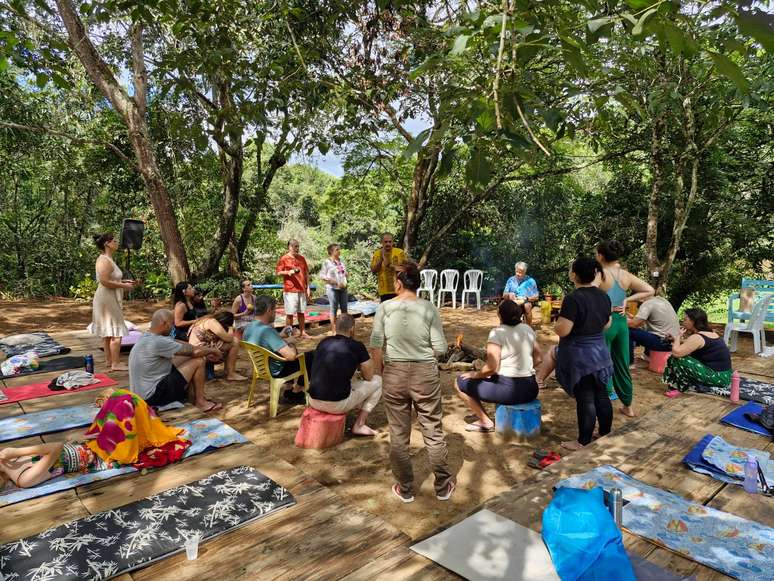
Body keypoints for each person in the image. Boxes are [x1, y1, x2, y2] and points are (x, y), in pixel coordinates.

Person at [370, 262, 454, 503]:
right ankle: (443, 486)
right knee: (433, 431)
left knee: (398, 434)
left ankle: (405, 488)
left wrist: (380, 373)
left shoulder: (385, 308)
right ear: (417, 283)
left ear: (398, 283)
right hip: (425, 374)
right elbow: (440, 348)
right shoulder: (429, 308)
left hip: (394, 374)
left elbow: (376, 344)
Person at [0, 389, 185, 488]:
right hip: (104, 454)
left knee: (121, 398)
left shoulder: (9, 463)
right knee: (124, 400)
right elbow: (55, 447)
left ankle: (152, 426)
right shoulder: (23, 479)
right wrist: (16, 451)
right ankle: (156, 429)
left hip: (94, 445)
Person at [553, 257, 614, 451]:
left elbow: (563, 330)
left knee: (586, 398)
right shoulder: (604, 296)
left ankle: (583, 441)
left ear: (574, 275)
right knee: (601, 394)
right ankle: (605, 432)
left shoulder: (573, 298)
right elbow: (607, 324)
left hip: (581, 356)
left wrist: (557, 324)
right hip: (600, 352)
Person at [456, 301, 543, 432]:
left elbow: (492, 368)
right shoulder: (527, 329)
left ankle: (485, 422)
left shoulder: (497, 333)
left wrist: (475, 374)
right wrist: (523, 368)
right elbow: (539, 358)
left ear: (500, 315)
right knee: (488, 379)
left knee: (459, 382)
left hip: (509, 391)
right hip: (531, 388)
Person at [595, 240, 654, 417]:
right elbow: (649, 290)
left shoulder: (600, 274)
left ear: (601, 256)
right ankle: (628, 406)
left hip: (605, 322)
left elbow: (587, 293)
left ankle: (605, 398)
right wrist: (628, 300)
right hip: (621, 323)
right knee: (622, 364)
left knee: (601, 362)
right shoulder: (625, 275)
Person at [128, 309, 222, 412]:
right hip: (152, 397)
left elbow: (178, 344)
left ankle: (192, 397)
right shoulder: (158, 341)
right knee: (199, 361)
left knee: (190, 357)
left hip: (142, 394)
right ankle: (200, 402)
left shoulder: (147, 336)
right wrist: (212, 350)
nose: (173, 327)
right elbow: (194, 352)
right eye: (172, 324)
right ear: (165, 323)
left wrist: (202, 350)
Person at [308, 314, 382, 436]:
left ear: (335, 327)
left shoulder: (323, 342)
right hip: (336, 404)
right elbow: (369, 376)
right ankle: (359, 425)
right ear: (352, 328)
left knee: (345, 379)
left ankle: (357, 406)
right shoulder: (356, 346)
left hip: (313, 400)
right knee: (378, 381)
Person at [243, 295, 315, 405]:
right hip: (276, 370)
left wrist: (280, 335)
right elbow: (291, 356)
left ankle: (288, 388)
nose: (275, 313)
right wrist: (291, 341)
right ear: (269, 310)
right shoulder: (267, 331)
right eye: (274, 310)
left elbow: (265, 342)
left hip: (261, 368)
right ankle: (297, 391)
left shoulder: (249, 327)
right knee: (311, 356)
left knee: (287, 352)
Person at [662, 308, 732, 396]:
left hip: (717, 377)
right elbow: (691, 344)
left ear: (693, 321)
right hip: (725, 376)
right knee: (684, 357)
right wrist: (675, 340)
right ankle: (693, 384)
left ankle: (680, 387)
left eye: (685, 319)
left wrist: (679, 336)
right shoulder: (708, 333)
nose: (683, 322)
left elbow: (676, 352)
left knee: (676, 359)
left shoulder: (697, 337)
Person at [91, 233, 135, 372]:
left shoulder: (109, 259)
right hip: (106, 298)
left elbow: (111, 279)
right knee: (116, 331)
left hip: (107, 297)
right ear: (107, 244)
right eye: (114, 240)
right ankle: (115, 363)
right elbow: (104, 281)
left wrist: (123, 282)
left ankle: (109, 361)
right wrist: (125, 286)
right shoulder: (104, 260)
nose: (117, 242)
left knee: (109, 331)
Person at [189, 310, 247, 381]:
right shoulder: (212, 322)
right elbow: (229, 339)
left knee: (224, 343)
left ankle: (228, 370)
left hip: (196, 349)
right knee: (235, 342)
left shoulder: (206, 319)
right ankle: (231, 373)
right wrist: (231, 328)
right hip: (199, 352)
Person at [627, 295, 679, 364]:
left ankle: (628, 360)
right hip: (672, 343)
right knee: (645, 332)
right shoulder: (663, 301)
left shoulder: (648, 303)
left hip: (662, 342)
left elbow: (633, 324)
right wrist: (634, 318)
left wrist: (620, 319)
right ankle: (648, 355)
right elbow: (650, 325)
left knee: (629, 331)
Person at [276, 239, 311, 339]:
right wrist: (288, 272)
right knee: (290, 314)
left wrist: (307, 287)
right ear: (290, 247)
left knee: (301, 312)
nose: (297, 248)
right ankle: (289, 334)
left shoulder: (302, 258)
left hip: (301, 290)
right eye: (295, 246)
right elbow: (278, 272)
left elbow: (306, 273)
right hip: (290, 290)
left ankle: (303, 333)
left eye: (298, 246)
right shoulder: (284, 258)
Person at [320, 243, 349, 335]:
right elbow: (322, 276)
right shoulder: (326, 262)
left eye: (339, 249)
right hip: (332, 289)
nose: (339, 251)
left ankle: (345, 329)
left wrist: (346, 275)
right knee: (334, 309)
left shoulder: (342, 261)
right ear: (331, 251)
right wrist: (332, 281)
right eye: (337, 249)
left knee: (344, 309)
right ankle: (334, 330)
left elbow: (343, 272)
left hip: (343, 288)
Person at [370, 232, 407, 302]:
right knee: (387, 312)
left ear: (393, 242)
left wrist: (390, 265)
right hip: (384, 291)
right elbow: (373, 270)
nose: (388, 244)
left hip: (398, 289)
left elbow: (405, 268)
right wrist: (381, 259)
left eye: (390, 242)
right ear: (381, 242)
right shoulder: (377, 253)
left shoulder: (399, 252)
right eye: (386, 242)